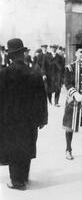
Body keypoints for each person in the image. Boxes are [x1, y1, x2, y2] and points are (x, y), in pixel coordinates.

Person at [0, 38, 48, 190]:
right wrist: (42, 119)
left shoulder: (4, 74)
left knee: (13, 146)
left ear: (10, 55)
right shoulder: (34, 73)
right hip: (29, 119)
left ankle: (17, 181)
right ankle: (24, 177)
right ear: (23, 54)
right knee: (27, 145)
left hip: (10, 119)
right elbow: (42, 99)